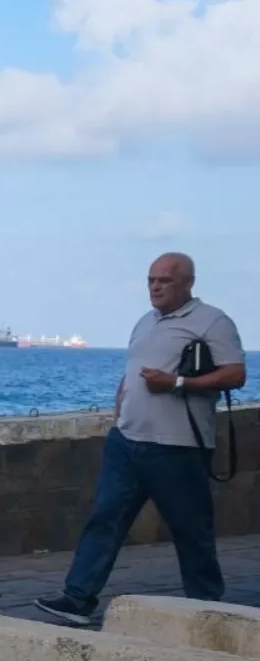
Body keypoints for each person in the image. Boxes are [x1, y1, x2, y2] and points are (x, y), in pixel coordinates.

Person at [35, 252, 245, 626]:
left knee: (190, 528)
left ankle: (210, 607)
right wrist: (121, 403)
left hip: (177, 446)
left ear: (187, 283)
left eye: (164, 280)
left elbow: (235, 375)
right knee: (105, 518)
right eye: (151, 280)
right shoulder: (145, 322)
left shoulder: (212, 321)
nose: (155, 287)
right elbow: (134, 370)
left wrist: (178, 383)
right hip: (127, 441)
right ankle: (78, 598)